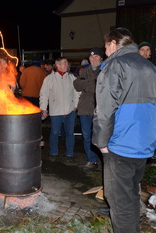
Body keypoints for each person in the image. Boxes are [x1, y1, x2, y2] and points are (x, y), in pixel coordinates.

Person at [92, 27, 156, 233]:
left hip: (121, 143)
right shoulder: (149, 66)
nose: (104, 51)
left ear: (113, 44)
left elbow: (104, 110)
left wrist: (101, 143)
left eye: (106, 47)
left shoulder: (114, 65)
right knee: (131, 191)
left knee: (119, 199)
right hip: (144, 143)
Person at [40, 57, 80, 161]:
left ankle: (70, 154)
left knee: (70, 133)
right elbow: (44, 94)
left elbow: (77, 92)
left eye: (67, 63)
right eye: (64, 63)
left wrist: (75, 105)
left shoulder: (72, 78)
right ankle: (53, 153)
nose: (67, 64)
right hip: (56, 111)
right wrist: (43, 108)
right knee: (54, 132)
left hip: (70, 110)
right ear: (57, 65)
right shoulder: (49, 79)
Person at [73, 48, 103, 170]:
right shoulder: (85, 71)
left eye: (96, 57)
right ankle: (92, 160)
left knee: (101, 136)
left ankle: (103, 160)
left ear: (101, 58)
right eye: (91, 57)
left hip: (100, 108)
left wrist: (87, 84)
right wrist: (92, 82)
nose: (93, 59)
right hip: (85, 108)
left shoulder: (105, 70)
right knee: (86, 136)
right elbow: (77, 85)